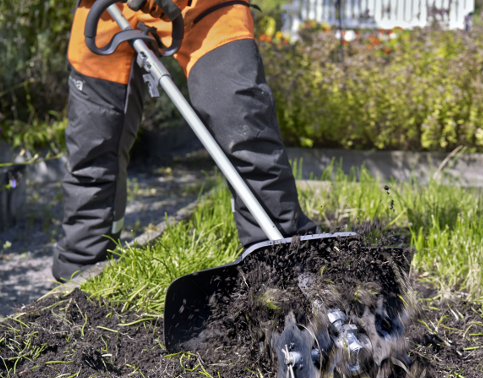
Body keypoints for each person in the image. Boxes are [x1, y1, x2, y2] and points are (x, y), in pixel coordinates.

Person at [52, 0, 316, 281]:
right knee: (92, 144)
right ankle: (80, 275)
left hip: (204, 8)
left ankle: (281, 263)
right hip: (106, 11)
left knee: (243, 124)